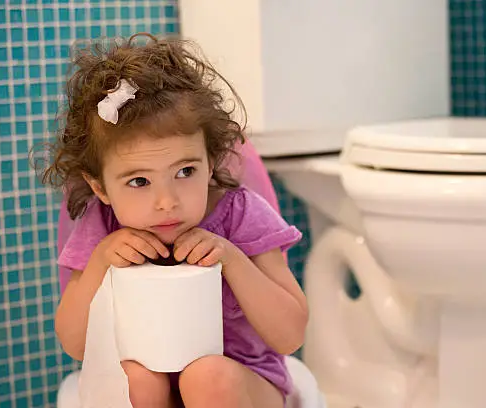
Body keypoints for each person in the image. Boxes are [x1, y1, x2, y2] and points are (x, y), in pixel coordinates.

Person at [37, 33, 308, 408]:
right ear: (100, 188)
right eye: (139, 181)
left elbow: (291, 335)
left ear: (210, 162)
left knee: (207, 377)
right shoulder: (102, 225)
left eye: (184, 171)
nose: (167, 202)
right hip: (154, 382)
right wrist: (101, 260)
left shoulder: (241, 214)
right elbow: (75, 344)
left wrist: (231, 259)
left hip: (241, 383)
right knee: (133, 381)